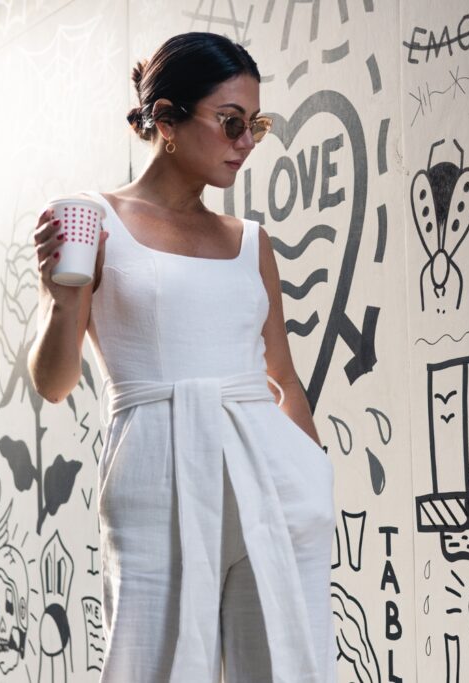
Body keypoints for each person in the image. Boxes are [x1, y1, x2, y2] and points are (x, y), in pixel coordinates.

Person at [27, 32, 337, 683]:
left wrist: (314, 479)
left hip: (272, 482)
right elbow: (53, 383)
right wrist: (62, 299)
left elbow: (283, 378)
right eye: (230, 123)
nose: (246, 142)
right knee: (152, 667)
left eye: (255, 125)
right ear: (165, 119)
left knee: (282, 666)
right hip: (155, 473)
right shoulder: (93, 221)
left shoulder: (251, 240)